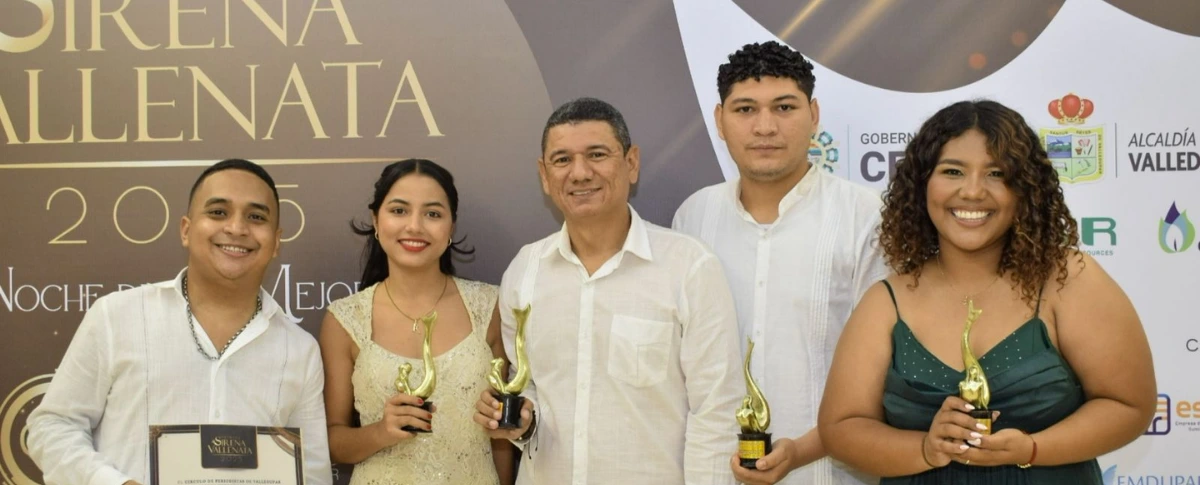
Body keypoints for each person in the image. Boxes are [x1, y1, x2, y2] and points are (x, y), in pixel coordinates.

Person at [818, 100, 1156, 484]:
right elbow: (842, 428)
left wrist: (1033, 448)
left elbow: (1129, 405)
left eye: (997, 173)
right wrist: (926, 449)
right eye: (952, 171)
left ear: (1026, 189)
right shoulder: (886, 301)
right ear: (921, 185)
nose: (973, 191)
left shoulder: (1067, 278)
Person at [472, 97, 744, 484]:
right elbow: (528, 388)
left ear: (631, 163)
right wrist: (520, 419)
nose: (580, 173)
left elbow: (717, 410)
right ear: (544, 175)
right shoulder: (525, 270)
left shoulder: (689, 268)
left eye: (597, 154)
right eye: (562, 160)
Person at [27, 159, 332, 485]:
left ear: (276, 241)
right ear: (186, 229)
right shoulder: (117, 317)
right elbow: (52, 426)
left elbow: (311, 472)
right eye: (218, 212)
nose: (237, 228)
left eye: (256, 217)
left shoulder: (299, 350)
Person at [673, 40, 887, 485]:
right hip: (713, 471)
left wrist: (803, 449)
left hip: (832, 473)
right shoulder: (692, 216)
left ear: (813, 114)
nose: (765, 127)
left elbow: (886, 366)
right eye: (745, 109)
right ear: (719, 120)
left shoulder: (865, 217)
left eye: (784, 107)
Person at [320, 159, 515, 484]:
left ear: (451, 227)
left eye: (433, 214)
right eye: (399, 210)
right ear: (376, 221)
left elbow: (503, 435)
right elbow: (332, 441)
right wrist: (381, 432)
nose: (415, 226)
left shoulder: (490, 307)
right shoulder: (344, 320)